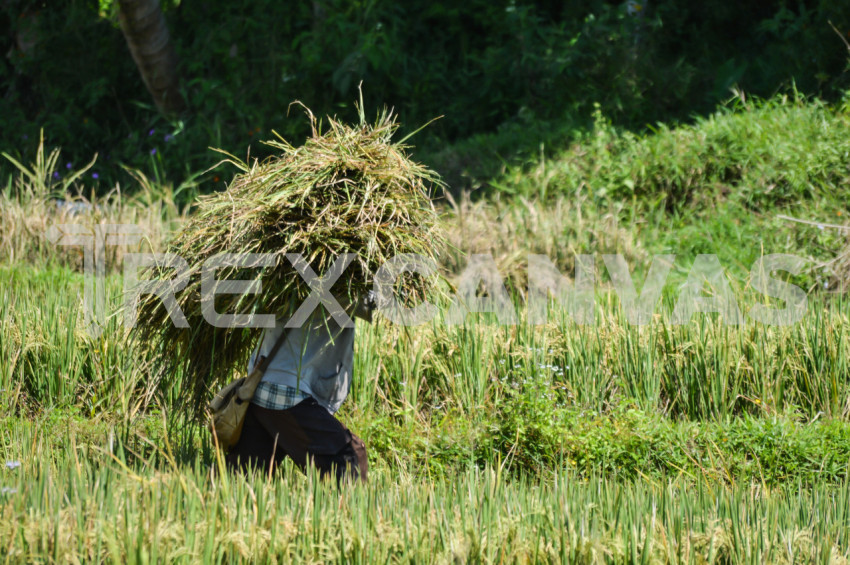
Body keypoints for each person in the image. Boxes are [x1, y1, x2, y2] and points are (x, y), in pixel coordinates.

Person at [225, 292, 375, 483]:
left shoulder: (288, 277)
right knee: (350, 456)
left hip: (262, 385)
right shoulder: (335, 286)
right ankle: (349, 512)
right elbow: (368, 301)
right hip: (288, 392)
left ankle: (201, 504)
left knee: (242, 476)